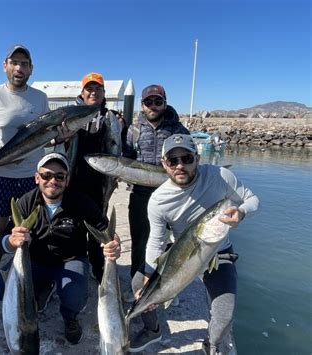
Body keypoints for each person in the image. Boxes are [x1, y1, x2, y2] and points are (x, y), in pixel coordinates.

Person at [129, 134, 260, 353]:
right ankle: (152, 330)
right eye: (173, 161)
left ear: (197, 158)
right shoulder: (159, 200)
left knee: (225, 311)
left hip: (219, 252)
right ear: (164, 164)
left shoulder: (220, 176)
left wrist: (242, 212)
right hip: (182, 249)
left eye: (187, 158)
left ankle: (213, 344)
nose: (180, 165)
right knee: (137, 284)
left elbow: (253, 199)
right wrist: (148, 277)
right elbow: (156, 240)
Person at [0, 152, 121, 344]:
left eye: (59, 176)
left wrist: (113, 242)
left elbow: (104, 228)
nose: (53, 181)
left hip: (70, 260)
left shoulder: (80, 201)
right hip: (34, 261)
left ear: (67, 180)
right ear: (36, 178)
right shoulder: (26, 201)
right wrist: (12, 241)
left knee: (74, 297)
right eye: (46, 175)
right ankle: (41, 288)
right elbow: (5, 241)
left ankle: (70, 318)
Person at [0, 44, 68, 309]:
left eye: (24, 64)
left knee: (35, 232)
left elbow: (46, 135)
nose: (19, 68)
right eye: (14, 62)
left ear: (31, 69)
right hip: (2, 174)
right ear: (4, 65)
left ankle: (28, 280)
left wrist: (59, 139)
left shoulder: (40, 98)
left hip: (32, 176)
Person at [123, 84, 189, 299]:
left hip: (173, 197)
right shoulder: (133, 131)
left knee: (171, 245)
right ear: (142, 105)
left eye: (157, 101)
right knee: (139, 242)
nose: (153, 106)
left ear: (165, 103)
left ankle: (169, 288)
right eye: (148, 102)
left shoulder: (179, 131)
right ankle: (137, 288)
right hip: (141, 195)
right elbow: (127, 159)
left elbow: (190, 164)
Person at [68, 72, 124, 284]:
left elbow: (121, 147)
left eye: (97, 89)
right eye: (89, 89)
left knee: (99, 224)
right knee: (73, 225)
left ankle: (97, 265)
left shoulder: (112, 118)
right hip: (74, 179)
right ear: (82, 93)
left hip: (100, 183)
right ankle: (73, 264)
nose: (93, 92)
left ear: (103, 93)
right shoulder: (71, 115)